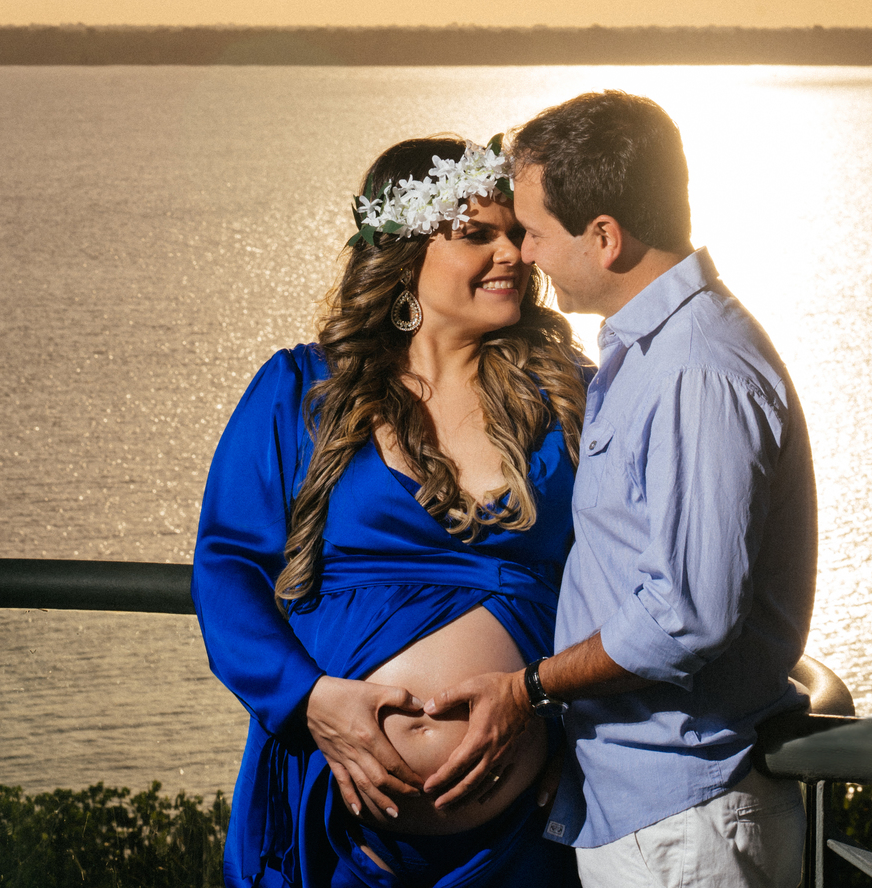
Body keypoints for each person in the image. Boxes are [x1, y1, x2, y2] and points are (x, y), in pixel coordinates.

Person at [420, 91, 818, 888]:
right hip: (649, 811)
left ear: (604, 237)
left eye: (534, 232)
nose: (525, 255)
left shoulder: (693, 372)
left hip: (683, 823)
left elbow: (687, 615)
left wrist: (529, 689)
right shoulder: (649, 353)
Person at [191, 135, 589, 888]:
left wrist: (570, 721)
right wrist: (309, 701)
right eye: (476, 235)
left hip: (522, 834)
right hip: (335, 816)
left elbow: (622, 579)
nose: (512, 253)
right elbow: (227, 568)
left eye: (515, 233)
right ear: (404, 254)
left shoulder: (567, 395)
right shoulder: (301, 392)